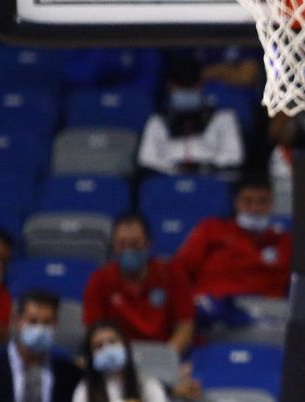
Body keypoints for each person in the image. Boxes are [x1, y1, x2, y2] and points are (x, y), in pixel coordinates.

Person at [173, 174, 291, 322]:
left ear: (271, 204)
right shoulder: (211, 230)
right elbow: (179, 271)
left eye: (262, 202)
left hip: (267, 316)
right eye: (248, 201)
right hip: (214, 315)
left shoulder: (284, 241)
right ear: (236, 203)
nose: (255, 208)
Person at [83, 213, 198, 362]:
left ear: (149, 243)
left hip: (164, 354)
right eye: (122, 244)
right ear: (114, 246)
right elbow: (94, 331)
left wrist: (164, 357)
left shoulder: (172, 273)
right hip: (118, 357)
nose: (128, 250)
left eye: (135, 244)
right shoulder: (99, 280)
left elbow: (185, 328)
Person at [136, 52, 246, 178]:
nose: (186, 90)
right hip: (169, 179)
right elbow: (146, 159)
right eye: (181, 86)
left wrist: (202, 168)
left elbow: (234, 157)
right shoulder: (158, 121)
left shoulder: (223, 118)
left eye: (191, 86)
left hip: (211, 178)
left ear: (201, 84)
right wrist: (177, 170)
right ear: (170, 87)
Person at [71, 321, 172, 402]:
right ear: (90, 355)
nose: (107, 349)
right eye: (99, 346)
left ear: (125, 346)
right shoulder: (84, 389)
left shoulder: (149, 385)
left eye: (112, 342)